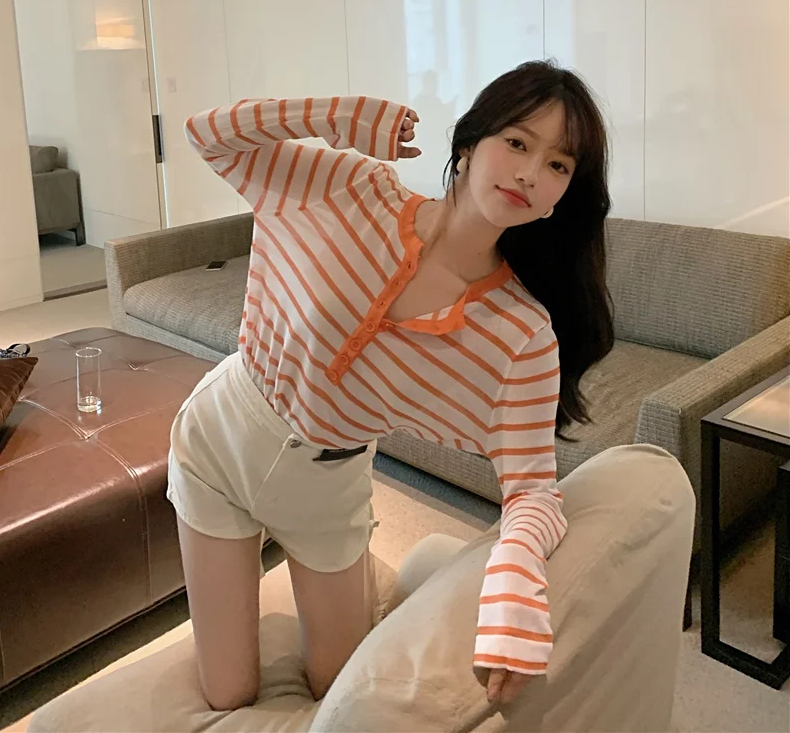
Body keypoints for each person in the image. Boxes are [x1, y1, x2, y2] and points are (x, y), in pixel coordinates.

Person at [167, 60, 615, 712]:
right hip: (219, 440)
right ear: (470, 143)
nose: (528, 173)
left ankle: (366, 579)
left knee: (341, 694)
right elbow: (207, 135)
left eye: (557, 165)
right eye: (517, 142)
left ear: (561, 197)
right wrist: (330, 115)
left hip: (326, 488)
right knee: (228, 693)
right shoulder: (350, 188)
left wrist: (516, 586)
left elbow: (533, 492)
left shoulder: (520, 335)